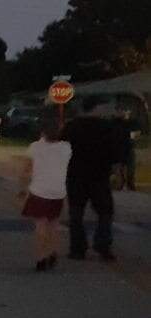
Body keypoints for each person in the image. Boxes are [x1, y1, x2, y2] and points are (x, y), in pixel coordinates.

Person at [62, 100, 116, 262]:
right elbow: (115, 150)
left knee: (76, 212)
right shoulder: (107, 128)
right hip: (99, 175)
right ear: (97, 108)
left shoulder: (71, 127)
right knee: (105, 212)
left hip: (76, 175)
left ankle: (78, 248)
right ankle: (103, 244)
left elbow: (62, 149)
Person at [21, 114, 71, 272]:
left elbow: (26, 170)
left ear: (42, 131)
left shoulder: (34, 147)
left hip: (39, 191)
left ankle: (41, 257)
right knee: (54, 225)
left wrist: (23, 188)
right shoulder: (66, 147)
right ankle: (51, 251)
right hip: (58, 191)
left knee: (40, 225)